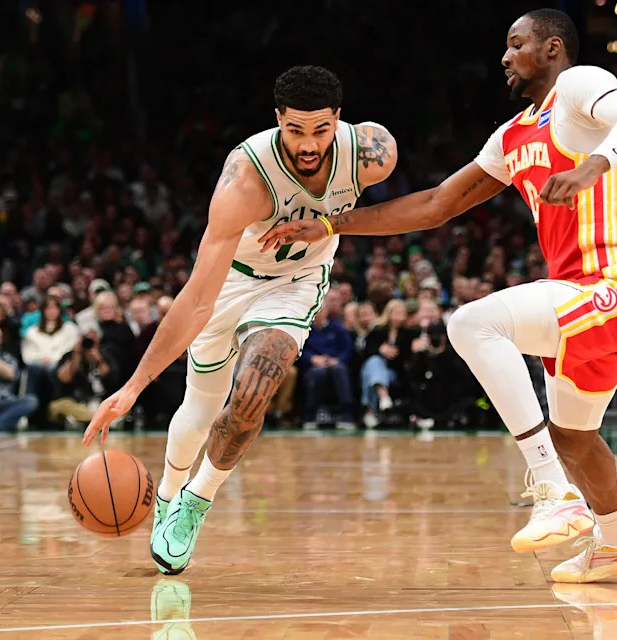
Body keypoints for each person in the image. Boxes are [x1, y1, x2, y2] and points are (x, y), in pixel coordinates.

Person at [260, 10, 617, 583]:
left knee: (473, 323)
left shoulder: (580, 87)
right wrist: (330, 223)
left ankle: (551, 490)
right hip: (575, 298)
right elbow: (433, 206)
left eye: (516, 44)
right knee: (575, 436)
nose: (505, 56)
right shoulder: (513, 135)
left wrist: (593, 167)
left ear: (552, 48)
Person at [82, 65, 397, 575]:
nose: (309, 144)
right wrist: (134, 387)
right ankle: (168, 491)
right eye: (295, 130)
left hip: (295, 282)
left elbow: (400, 215)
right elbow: (197, 299)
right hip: (232, 280)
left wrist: (326, 226)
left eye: (321, 130)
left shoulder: (371, 153)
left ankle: (196, 503)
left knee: (255, 386)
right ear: (278, 121)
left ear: (339, 120)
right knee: (199, 410)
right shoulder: (246, 179)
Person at [299, 300, 355, 430]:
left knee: (339, 370)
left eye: (321, 311)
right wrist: (312, 358)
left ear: (326, 312)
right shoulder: (305, 330)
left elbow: (348, 350)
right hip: (314, 365)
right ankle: (310, 414)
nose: (319, 314)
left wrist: (337, 359)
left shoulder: (338, 329)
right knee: (317, 372)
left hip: (335, 362)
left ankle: (347, 414)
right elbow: (300, 350)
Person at [359, 298, 412, 428]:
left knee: (372, 375)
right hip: (369, 368)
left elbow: (406, 360)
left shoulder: (407, 334)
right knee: (374, 363)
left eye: (402, 313)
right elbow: (364, 353)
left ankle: (369, 412)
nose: (399, 316)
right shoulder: (377, 330)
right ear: (389, 313)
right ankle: (383, 396)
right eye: (396, 313)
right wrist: (380, 350)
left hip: (392, 372)